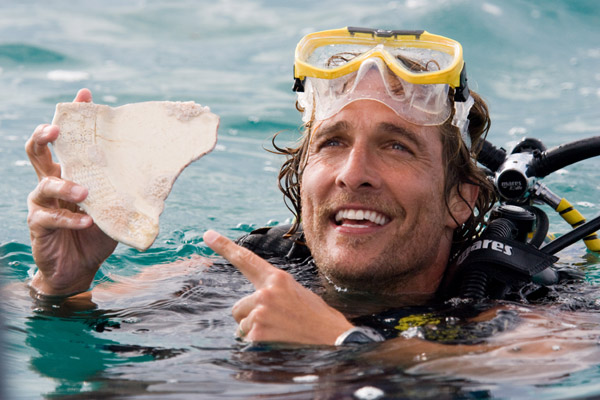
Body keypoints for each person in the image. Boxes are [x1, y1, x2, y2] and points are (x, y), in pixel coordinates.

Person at [22, 27, 533, 347]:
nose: (353, 172)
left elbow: (536, 364)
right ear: (302, 176)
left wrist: (342, 341)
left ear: (460, 199)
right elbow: (23, 313)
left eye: (397, 146)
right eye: (332, 142)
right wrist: (61, 285)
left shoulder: (521, 306)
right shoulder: (249, 269)